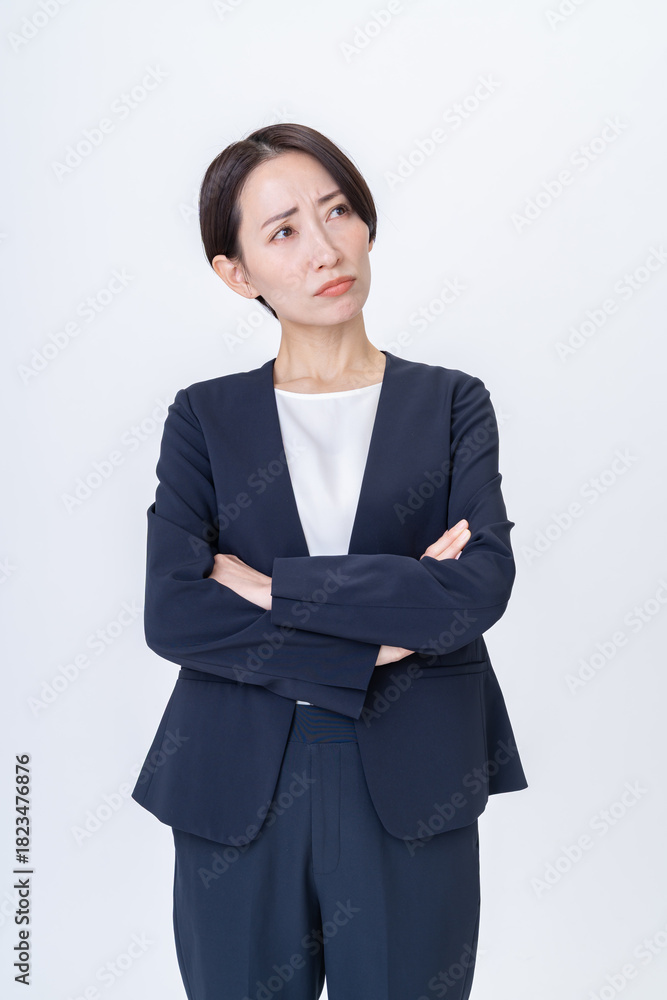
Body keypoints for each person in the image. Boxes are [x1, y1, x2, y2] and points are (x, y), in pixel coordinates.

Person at [131, 122, 528, 1000]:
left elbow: (474, 588)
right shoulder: (204, 418)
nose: (324, 248)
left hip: (415, 772)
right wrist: (376, 636)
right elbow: (176, 612)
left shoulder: (452, 403)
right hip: (236, 780)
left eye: (337, 211)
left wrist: (273, 587)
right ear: (236, 273)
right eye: (283, 232)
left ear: (366, 222)